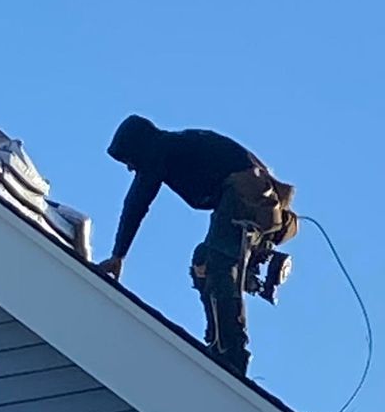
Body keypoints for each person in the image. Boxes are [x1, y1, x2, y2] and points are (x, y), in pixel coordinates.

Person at [93, 117, 295, 378]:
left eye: (129, 160)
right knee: (203, 261)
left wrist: (118, 255)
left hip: (249, 197)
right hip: (258, 202)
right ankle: (219, 340)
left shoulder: (159, 149)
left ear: (139, 148)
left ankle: (232, 352)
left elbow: (137, 202)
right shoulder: (179, 144)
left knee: (217, 264)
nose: (131, 168)